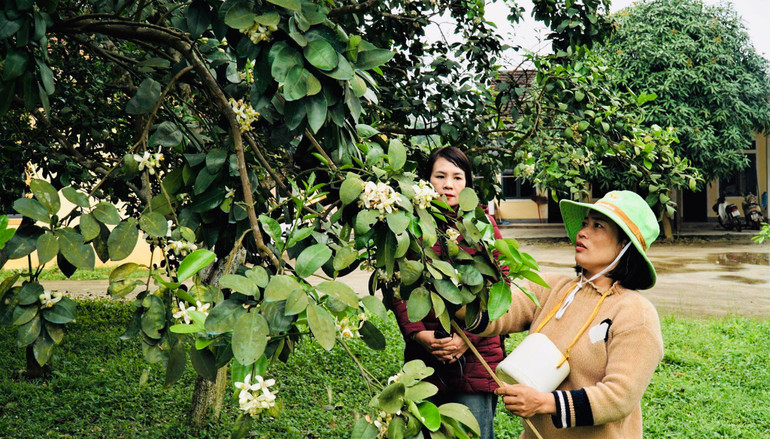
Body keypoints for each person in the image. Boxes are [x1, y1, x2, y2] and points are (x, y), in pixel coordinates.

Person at [465, 190, 664, 439]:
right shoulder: (552, 288)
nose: (582, 232)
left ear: (624, 245)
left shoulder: (636, 313)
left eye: (598, 226)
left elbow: (619, 397)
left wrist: (545, 403)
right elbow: (497, 312)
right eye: (584, 223)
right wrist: (447, 286)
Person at [391, 147, 506, 439]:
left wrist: (469, 339)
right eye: (440, 176)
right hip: (426, 355)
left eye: (457, 177)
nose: (448, 184)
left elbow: (501, 290)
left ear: (467, 183)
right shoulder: (410, 227)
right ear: (427, 181)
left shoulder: (483, 225)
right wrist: (418, 335)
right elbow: (398, 288)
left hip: (477, 357)